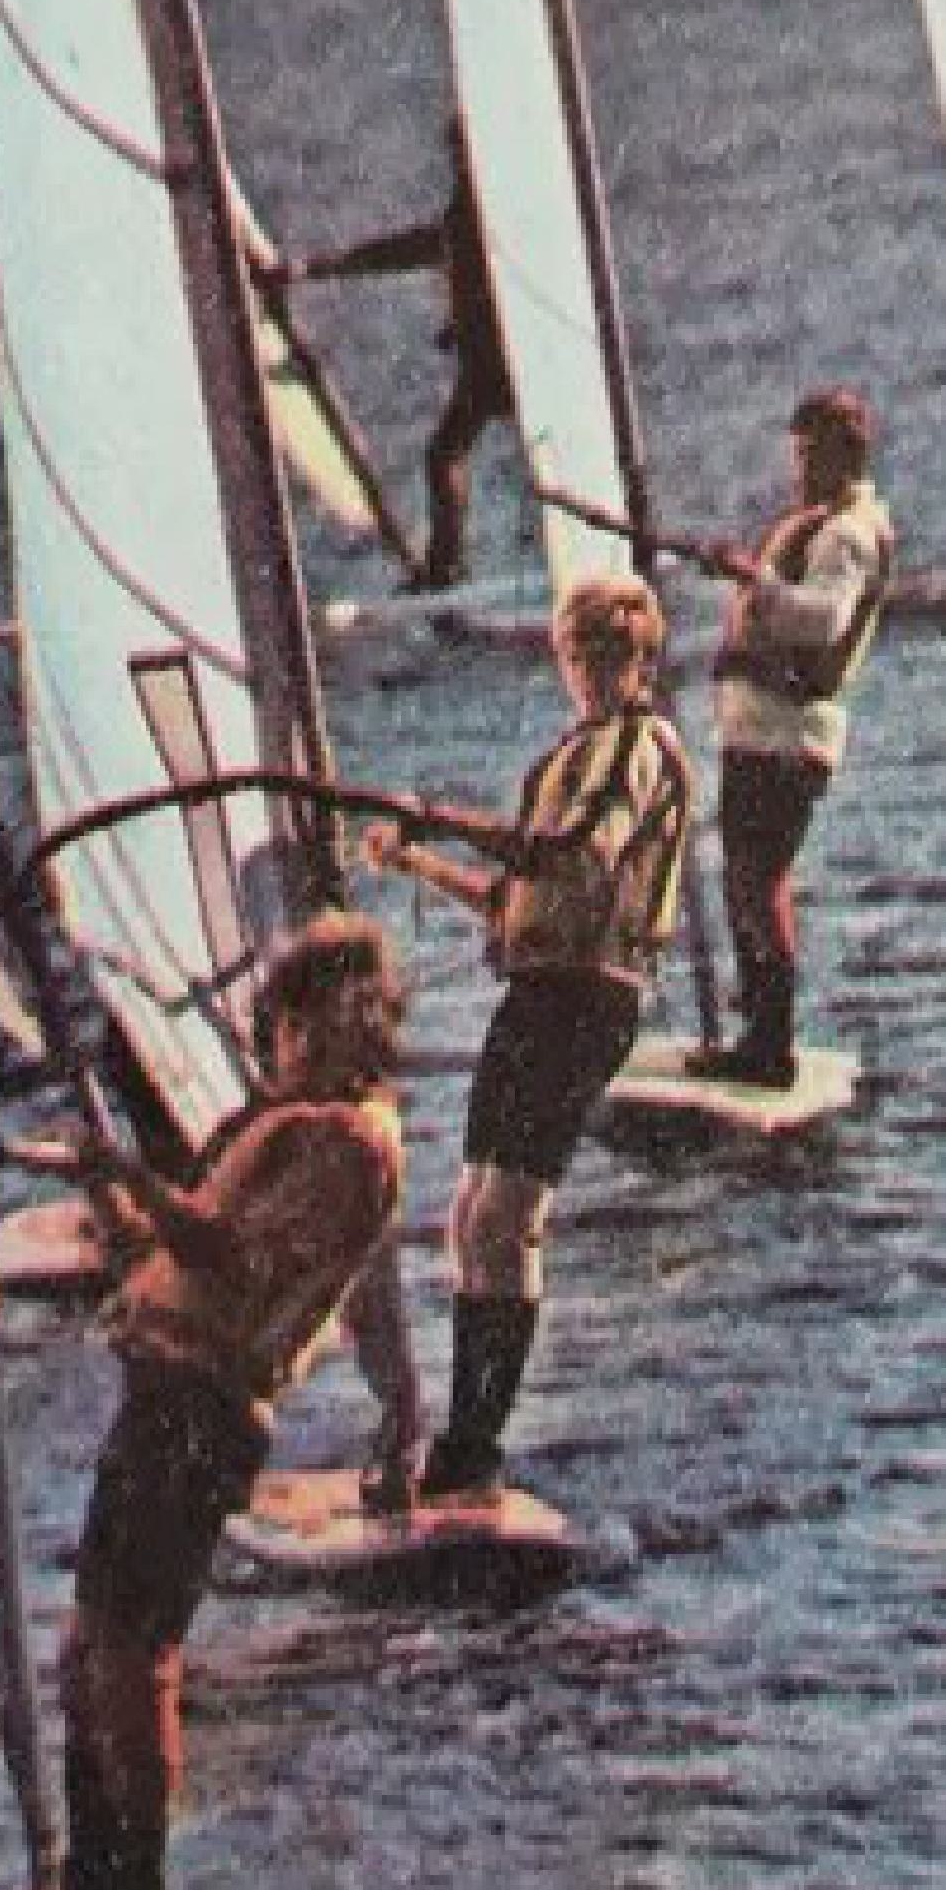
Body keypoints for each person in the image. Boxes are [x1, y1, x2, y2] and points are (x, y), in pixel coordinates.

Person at [31, 913, 410, 1890]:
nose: (293, 1046)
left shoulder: (348, 1140)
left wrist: (137, 1177)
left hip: (197, 1411)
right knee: (92, 1652)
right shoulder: (292, 1127)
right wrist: (112, 1193)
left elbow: (232, 1256)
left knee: (131, 1656)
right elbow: (172, 1246)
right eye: (290, 1025)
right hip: (166, 1392)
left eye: (311, 1024)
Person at [363, 574, 692, 1498]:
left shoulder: (635, 748)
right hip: (537, 992)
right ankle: (461, 1438)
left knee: (508, 1219)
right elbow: (514, 898)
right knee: (470, 1218)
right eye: (579, 654)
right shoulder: (568, 754)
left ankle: (475, 1447)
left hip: (587, 999)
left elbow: (574, 855)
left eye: (610, 656)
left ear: (642, 662)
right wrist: (419, 859)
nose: (591, 671)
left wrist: (440, 816)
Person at [697, 390, 896, 1090]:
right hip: (761, 732)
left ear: (848, 456)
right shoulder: (822, 525)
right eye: (798, 454)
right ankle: (759, 1029)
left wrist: (751, 578)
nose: (800, 469)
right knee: (746, 883)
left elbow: (823, 621)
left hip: (785, 737)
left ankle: (769, 1042)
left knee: (758, 884)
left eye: (813, 455)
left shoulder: (847, 535)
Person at [275, 118, 510, 589]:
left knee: (445, 454)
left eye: (460, 152)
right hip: (488, 360)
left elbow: (430, 254)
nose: (456, 161)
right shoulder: (472, 210)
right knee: (445, 454)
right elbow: (413, 251)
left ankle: (446, 568)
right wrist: (319, 268)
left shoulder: (480, 212)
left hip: (499, 364)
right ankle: (447, 567)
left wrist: (317, 268)